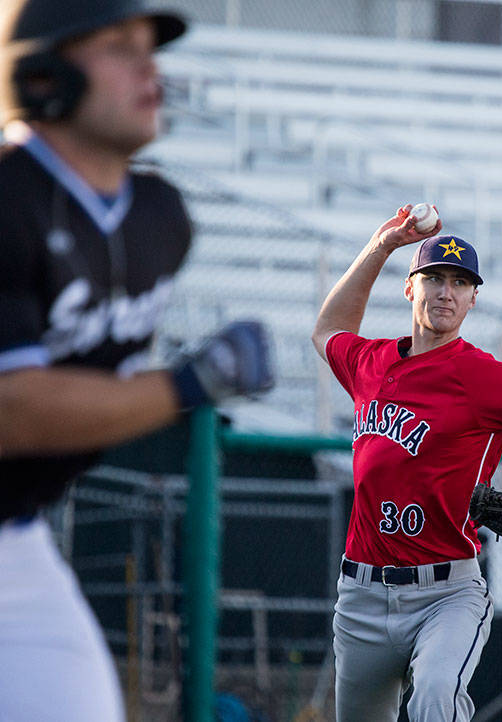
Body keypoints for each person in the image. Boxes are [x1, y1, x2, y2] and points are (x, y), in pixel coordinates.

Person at [0, 2, 272, 721]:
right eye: (119, 45)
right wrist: (189, 383)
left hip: (14, 540)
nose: (148, 66)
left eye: (151, 46)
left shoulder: (159, 219)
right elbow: (11, 411)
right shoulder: (6, 197)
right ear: (44, 73)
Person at [311, 205, 502, 722]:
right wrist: (382, 245)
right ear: (411, 288)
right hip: (360, 595)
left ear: (474, 298)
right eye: (434, 278)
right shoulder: (372, 362)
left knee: (435, 698)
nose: (445, 292)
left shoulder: (484, 376)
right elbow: (327, 331)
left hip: (446, 595)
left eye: (459, 282)